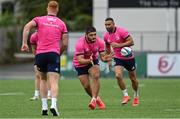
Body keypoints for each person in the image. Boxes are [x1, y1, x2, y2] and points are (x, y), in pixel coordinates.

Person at [21, 1, 68, 116]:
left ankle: (44, 107)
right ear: (57, 9)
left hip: (40, 54)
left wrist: (24, 43)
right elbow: (65, 44)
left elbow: (27, 27)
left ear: (47, 8)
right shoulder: (62, 23)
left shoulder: (39, 19)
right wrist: (58, 53)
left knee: (42, 79)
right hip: (53, 53)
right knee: (54, 81)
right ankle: (53, 104)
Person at [73, 26, 112, 110]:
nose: (93, 37)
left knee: (96, 75)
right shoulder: (80, 43)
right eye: (91, 35)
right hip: (80, 63)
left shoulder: (100, 42)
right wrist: (88, 60)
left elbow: (102, 57)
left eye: (95, 34)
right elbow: (80, 60)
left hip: (93, 61)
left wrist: (106, 59)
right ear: (86, 35)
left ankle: (93, 100)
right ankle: (97, 99)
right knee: (87, 86)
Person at [103, 17, 139, 106]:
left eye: (109, 24)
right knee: (118, 75)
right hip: (118, 57)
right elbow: (107, 47)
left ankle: (136, 95)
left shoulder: (122, 31)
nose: (107, 26)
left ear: (113, 24)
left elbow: (131, 42)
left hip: (129, 57)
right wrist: (108, 59)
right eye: (106, 25)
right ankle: (126, 95)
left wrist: (119, 45)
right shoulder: (106, 36)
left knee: (133, 79)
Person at [29, 31, 51, 101]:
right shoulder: (33, 36)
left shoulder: (48, 33)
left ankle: (49, 94)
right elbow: (34, 49)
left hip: (49, 55)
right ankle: (36, 95)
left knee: (48, 76)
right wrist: (37, 58)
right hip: (39, 56)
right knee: (37, 75)